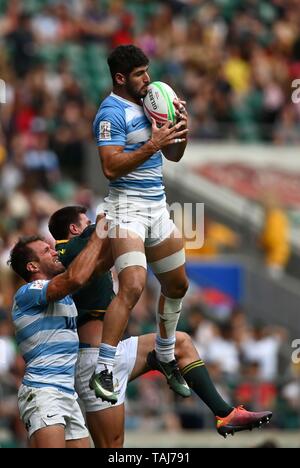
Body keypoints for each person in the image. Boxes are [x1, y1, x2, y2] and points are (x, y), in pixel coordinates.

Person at [49, 205, 272, 448]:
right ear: (74, 228)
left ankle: (225, 414)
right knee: (112, 447)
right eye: (86, 221)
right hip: (92, 361)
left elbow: (112, 243)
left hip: (116, 350)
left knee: (182, 343)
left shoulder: (89, 251)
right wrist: (120, 212)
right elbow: (101, 230)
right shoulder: (65, 251)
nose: (92, 223)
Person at [92, 44, 191, 403]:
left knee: (178, 285)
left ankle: (165, 356)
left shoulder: (152, 102)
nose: (147, 79)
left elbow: (174, 155)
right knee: (132, 286)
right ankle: (103, 369)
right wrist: (152, 144)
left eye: (147, 71)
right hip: (126, 209)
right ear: (120, 78)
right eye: (139, 74)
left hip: (157, 206)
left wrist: (180, 129)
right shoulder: (110, 112)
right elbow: (110, 166)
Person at [8, 217, 107, 448]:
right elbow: (77, 277)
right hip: (43, 390)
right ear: (32, 266)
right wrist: (96, 237)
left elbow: (95, 268)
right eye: (46, 250)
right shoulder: (29, 292)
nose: (55, 252)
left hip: (66, 393)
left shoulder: (64, 295)